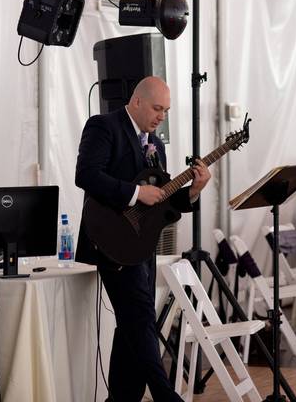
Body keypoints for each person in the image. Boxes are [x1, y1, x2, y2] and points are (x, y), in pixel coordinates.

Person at [75, 76, 210, 402]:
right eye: (157, 108)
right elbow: (86, 175)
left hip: (141, 246)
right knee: (141, 321)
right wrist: (135, 192)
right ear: (136, 102)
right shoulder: (103, 127)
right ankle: (166, 396)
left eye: (166, 110)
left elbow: (160, 203)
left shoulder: (156, 145)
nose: (162, 116)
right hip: (110, 241)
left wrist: (192, 192)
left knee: (131, 327)